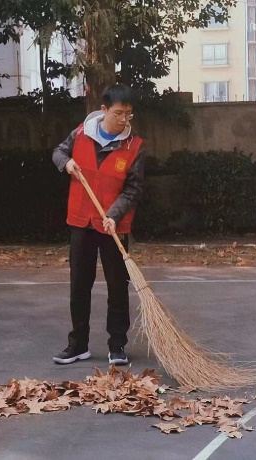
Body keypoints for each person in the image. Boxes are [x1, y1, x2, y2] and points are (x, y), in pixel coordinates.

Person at [51, 83, 145, 366]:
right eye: (118, 113)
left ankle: (117, 345)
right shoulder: (82, 133)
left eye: (128, 114)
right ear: (104, 110)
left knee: (117, 286)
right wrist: (66, 163)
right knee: (79, 284)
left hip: (114, 226)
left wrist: (113, 215)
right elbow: (58, 152)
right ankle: (78, 344)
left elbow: (133, 190)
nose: (124, 119)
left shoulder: (134, 147)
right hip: (82, 222)